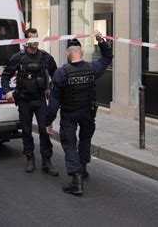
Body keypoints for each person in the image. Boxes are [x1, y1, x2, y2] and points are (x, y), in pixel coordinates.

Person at [45, 31, 112, 196]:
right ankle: (83, 168)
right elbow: (107, 57)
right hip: (88, 113)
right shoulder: (92, 68)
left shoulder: (61, 73)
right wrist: (101, 41)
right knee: (85, 139)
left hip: (69, 113)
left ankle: (76, 179)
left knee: (69, 143)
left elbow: (53, 102)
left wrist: (48, 121)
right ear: (81, 52)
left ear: (68, 54)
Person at [1, 28, 59, 175]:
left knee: (43, 130)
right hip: (24, 100)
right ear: (26, 41)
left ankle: (46, 161)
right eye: (32, 38)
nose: (35, 40)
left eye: (37, 37)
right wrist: (7, 90)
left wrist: (52, 92)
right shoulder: (19, 58)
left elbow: (57, 76)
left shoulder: (45, 57)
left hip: (40, 100)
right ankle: (30, 158)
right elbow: (6, 75)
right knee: (26, 131)